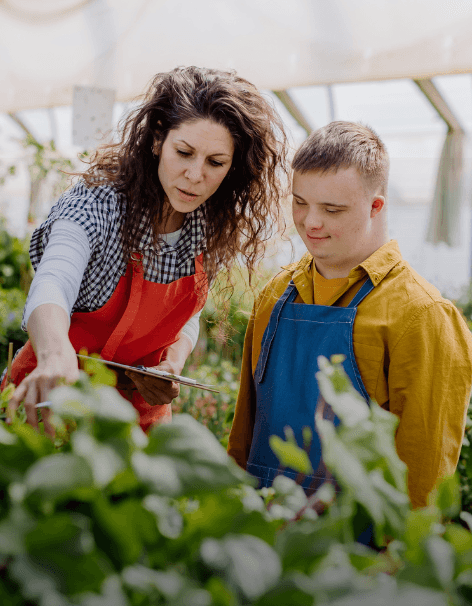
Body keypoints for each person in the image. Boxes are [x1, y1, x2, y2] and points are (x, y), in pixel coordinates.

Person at [1, 66, 288, 435]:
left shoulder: (206, 228)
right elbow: (54, 279)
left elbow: (188, 316)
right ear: (157, 140)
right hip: (51, 401)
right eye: (183, 152)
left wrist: (172, 365)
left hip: (134, 425)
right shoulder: (98, 203)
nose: (195, 174)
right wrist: (55, 355)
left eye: (215, 162)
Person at [227, 121, 472, 509]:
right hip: (261, 534)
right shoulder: (274, 295)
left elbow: (424, 476)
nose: (310, 222)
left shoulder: (422, 316)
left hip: (357, 554)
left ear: (376, 206)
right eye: (300, 202)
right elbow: (244, 434)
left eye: (332, 209)